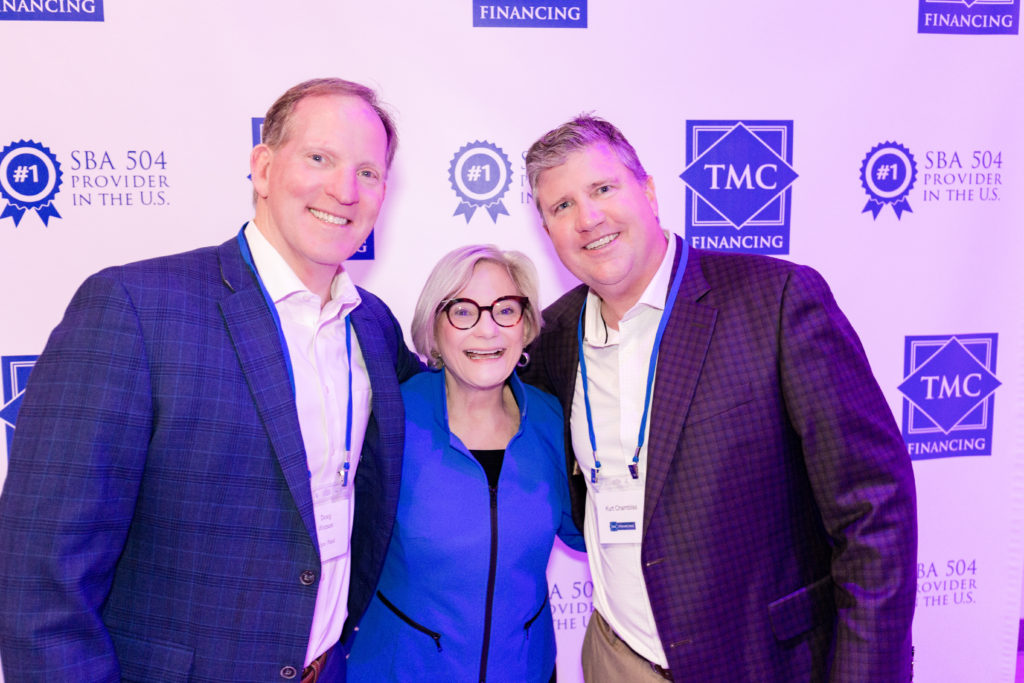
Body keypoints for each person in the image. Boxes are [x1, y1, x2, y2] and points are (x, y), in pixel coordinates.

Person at [0, 78, 422, 682]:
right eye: (319, 158)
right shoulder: (135, 308)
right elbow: (41, 581)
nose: (344, 189)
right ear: (264, 168)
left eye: (368, 172)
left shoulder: (374, 326)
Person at [519, 115, 917, 682]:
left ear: (648, 191)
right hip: (617, 658)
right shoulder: (551, 339)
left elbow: (874, 510)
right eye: (562, 206)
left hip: (763, 664)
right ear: (547, 229)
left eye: (603, 189)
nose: (588, 218)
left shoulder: (775, 301)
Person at [346, 245, 584, 682]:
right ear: (433, 328)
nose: (487, 330)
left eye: (506, 310)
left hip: (525, 671)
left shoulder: (554, 419)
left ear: (526, 326)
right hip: (401, 671)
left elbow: (592, 534)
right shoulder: (389, 420)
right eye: (462, 311)